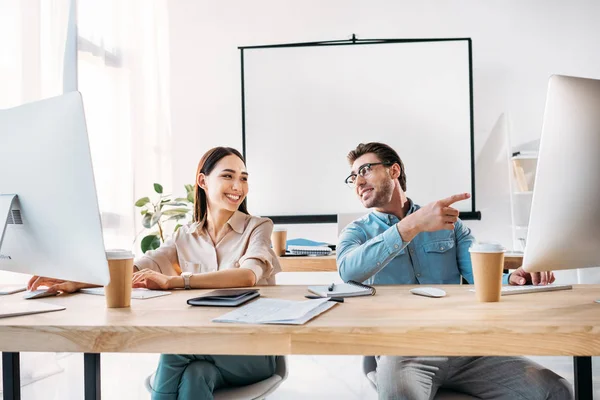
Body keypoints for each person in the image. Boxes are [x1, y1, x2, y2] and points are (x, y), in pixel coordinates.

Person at [29, 146, 282, 400]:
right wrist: (77, 280)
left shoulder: (258, 227)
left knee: (176, 346)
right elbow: (136, 267)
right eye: (228, 176)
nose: (238, 185)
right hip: (206, 346)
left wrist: (175, 280)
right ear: (202, 181)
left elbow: (247, 276)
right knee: (197, 374)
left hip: (253, 348)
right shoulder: (185, 236)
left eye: (244, 178)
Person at [337, 142, 573, 400]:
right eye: (353, 176)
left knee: (557, 391)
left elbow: (478, 276)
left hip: (465, 345)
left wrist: (513, 279)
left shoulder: (448, 223)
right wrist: (411, 226)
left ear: (394, 171)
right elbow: (348, 271)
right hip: (402, 349)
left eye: (366, 170)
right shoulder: (356, 232)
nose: (358, 182)